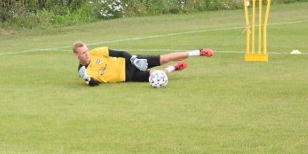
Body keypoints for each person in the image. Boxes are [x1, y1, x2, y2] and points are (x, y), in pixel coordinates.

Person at [73, 41, 213, 86]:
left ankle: (198, 52)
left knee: (164, 58)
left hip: (131, 63)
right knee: (157, 75)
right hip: (128, 77)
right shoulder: (83, 72)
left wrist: (134, 59)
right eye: (83, 53)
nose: (87, 54)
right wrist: (86, 78)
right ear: (76, 55)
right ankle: (174, 68)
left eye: (87, 50)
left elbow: (121, 53)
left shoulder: (96, 52)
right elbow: (94, 83)